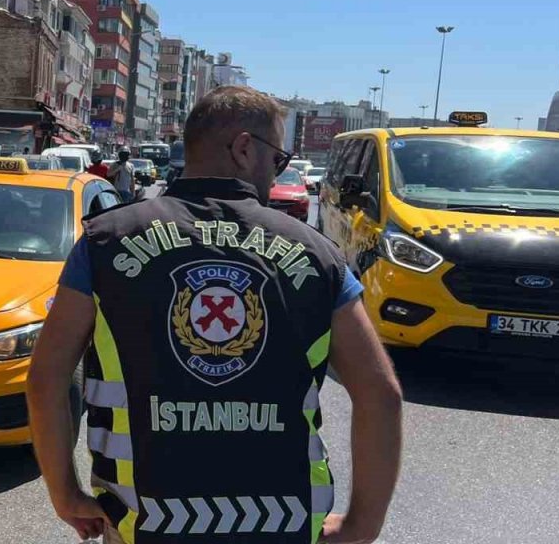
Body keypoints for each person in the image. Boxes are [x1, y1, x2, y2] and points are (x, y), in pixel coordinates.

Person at [27, 86, 402, 544]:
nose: (275, 174)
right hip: (280, 525)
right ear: (244, 148)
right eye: (278, 160)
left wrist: (64, 493)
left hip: (144, 525)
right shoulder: (319, 257)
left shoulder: (106, 243)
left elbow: (47, 376)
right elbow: (380, 395)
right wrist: (363, 524)